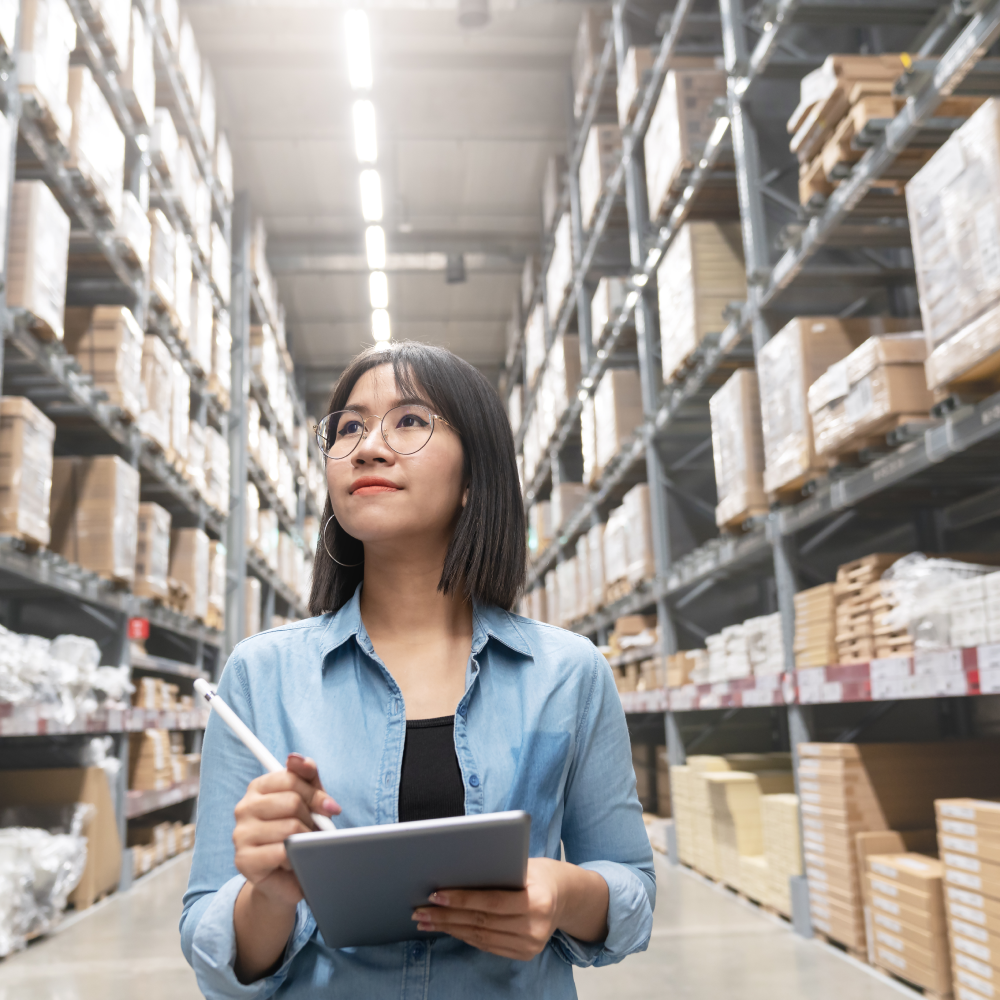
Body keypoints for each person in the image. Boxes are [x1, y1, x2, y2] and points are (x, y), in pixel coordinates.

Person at [180, 341, 655, 998]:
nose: (368, 447)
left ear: (472, 478)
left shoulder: (567, 674)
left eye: (409, 420)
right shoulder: (261, 675)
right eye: (349, 427)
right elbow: (211, 943)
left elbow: (631, 889)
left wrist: (563, 892)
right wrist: (269, 893)